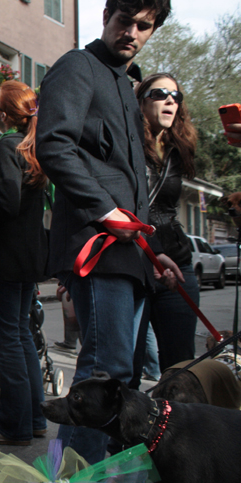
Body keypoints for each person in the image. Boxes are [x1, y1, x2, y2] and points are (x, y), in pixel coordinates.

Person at [35, 0, 180, 465]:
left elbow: (132, 186)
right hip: (96, 247)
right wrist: (103, 210)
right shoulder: (78, 65)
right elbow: (53, 145)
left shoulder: (125, 83)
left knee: (121, 380)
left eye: (145, 26)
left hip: (131, 251)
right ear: (106, 16)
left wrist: (155, 253)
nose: (133, 32)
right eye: (125, 21)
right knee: (105, 370)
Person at [0, 81, 49, 447]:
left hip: (3, 256)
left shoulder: (5, 144)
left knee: (8, 340)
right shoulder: (32, 146)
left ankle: (13, 424)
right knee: (21, 335)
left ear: (3, 112)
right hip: (27, 255)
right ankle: (34, 418)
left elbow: (7, 203)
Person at [131, 72, 200, 383]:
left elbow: (166, 210)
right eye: (160, 93)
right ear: (141, 101)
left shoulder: (177, 150)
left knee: (179, 369)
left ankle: (174, 429)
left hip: (177, 267)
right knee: (125, 366)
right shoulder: (127, 145)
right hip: (136, 265)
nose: (171, 100)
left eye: (176, 96)